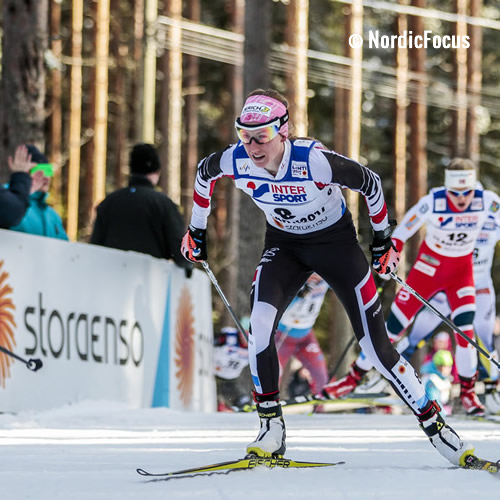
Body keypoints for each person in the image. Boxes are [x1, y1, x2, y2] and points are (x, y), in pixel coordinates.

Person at [181, 88, 477, 468]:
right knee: (259, 325)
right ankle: (270, 428)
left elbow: (369, 183)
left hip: (336, 246)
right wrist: (197, 231)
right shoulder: (236, 159)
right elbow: (204, 176)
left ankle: (437, 426)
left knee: (375, 348)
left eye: (262, 136)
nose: (253, 146)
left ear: (282, 131)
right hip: (285, 247)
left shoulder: (313, 161)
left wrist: (383, 240)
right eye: (245, 135)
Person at [326, 160, 500, 416]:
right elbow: (407, 225)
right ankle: (354, 378)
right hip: (428, 270)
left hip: (462, 273)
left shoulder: (488, 201)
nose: (461, 200)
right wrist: (392, 247)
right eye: (455, 193)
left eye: (466, 193)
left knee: (465, 333)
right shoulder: (435, 200)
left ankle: (468, 394)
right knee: (392, 328)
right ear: (447, 187)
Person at [91, 143, 193, 277]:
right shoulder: (163, 204)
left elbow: (95, 249)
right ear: (156, 172)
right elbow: (181, 252)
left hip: (111, 283)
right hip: (150, 285)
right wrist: (188, 268)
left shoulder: (108, 203)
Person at [275, 273, 328, 394]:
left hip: (306, 336)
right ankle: (267, 403)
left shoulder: (326, 280)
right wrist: (296, 296)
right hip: (283, 336)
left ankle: (320, 406)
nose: (315, 276)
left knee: (320, 375)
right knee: (273, 372)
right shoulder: (295, 278)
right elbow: (277, 305)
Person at [8, 145, 68, 240]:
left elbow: (66, 249)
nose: (46, 177)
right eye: (39, 171)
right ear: (24, 172)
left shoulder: (53, 216)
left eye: (48, 171)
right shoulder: (8, 202)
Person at [0, 144, 43, 228]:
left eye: (48, 170)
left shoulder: (52, 214)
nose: (43, 175)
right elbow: (11, 212)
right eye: (36, 170)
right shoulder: (12, 200)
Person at [213, 326, 252, 412]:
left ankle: (243, 406)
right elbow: (214, 341)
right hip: (213, 371)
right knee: (216, 392)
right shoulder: (230, 336)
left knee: (235, 393)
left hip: (231, 377)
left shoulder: (252, 349)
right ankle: (221, 404)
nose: (245, 339)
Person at [420, 350, 455, 416]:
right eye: (442, 366)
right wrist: (444, 413)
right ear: (436, 366)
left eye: (448, 366)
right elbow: (433, 400)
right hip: (431, 413)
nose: (445, 369)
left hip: (442, 410)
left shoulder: (445, 378)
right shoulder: (431, 379)